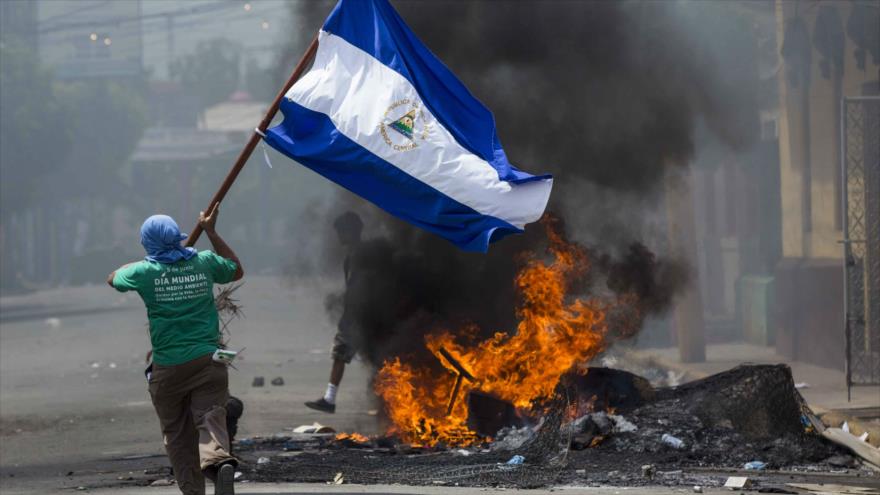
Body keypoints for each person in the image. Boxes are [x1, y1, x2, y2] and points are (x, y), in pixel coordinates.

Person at [107, 206, 241, 495]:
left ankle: (193, 490)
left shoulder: (144, 272)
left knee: (178, 434)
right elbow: (234, 268)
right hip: (209, 360)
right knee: (210, 417)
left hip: (169, 367)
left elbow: (113, 278)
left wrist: (151, 260)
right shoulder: (204, 262)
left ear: (148, 244)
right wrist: (211, 232)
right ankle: (218, 463)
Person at [305, 212, 367, 414]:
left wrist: (350, 315)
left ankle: (329, 400)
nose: (338, 236)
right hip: (364, 314)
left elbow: (358, 288)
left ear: (349, 232)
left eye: (341, 232)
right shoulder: (359, 253)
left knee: (340, 354)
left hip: (358, 316)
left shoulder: (358, 255)